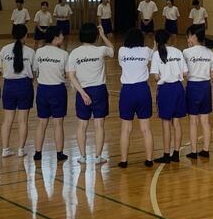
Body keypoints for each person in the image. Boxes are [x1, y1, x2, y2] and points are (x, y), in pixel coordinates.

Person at [66, 23, 114, 164]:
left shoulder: (74, 53)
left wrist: (82, 93)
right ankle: (98, 157)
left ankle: (82, 157)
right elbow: (112, 51)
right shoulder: (100, 50)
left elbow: (71, 76)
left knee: (82, 125)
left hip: (83, 91)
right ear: (95, 36)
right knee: (99, 126)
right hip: (99, 91)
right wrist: (103, 35)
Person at [116, 28, 154, 168]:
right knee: (146, 129)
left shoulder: (122, 51)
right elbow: (155, 55)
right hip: (142, 90)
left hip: (127, 91)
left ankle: (124, 161)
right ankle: (149, 160)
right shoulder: (146, 51)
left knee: (125, 129)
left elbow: (121, 64)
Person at [151, 29, 188, 163]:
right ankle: (176, 154)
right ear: (168, 39)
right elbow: (185, 73)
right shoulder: (178, 51)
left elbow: (156, 77)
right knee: (176, 122)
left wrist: (164, 74)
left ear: (156, 41)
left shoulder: (156, 54)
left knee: (166, 124)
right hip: (178, 88)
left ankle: (166, 155)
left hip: (166, 90)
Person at [0, 24, 35, 158]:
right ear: (25, 35)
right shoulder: (30, 52)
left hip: (9, 86)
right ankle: (21, 149)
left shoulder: (4, 49)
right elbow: (34, 72)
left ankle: (5, 149)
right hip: (25, 85)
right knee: (23, 120)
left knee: (7, 120)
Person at [34, 26, 69, 162]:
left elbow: (35, 70)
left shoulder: (39, 52)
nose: (63, 37)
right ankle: (59, 153)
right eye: (61, 35)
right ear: (55, 38)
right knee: (58, 123)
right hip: (57, 91)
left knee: (41, 123)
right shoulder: (63, 54)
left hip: (42, 90)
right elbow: (66, 74)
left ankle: (37, 153)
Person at [183, 25, 213, 160]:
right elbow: (212, 74)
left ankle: (193, 151)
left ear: (194, 36)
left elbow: (184, 73)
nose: (187, 38)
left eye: (188, 36)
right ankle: (206, 150)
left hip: (193, 87)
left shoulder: (186, 52)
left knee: (193, 121)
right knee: (205, 121)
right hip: (205, 87)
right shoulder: (210, 52)